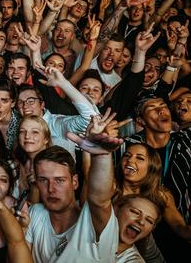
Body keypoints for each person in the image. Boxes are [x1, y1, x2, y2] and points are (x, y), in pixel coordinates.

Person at [25, 112, 123, 262]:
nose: (51, 188)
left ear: (75, 182)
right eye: (43, 180)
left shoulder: (93, 220)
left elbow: (100, 199)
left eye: (59, 180)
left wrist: (101, 156)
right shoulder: (35, 213)